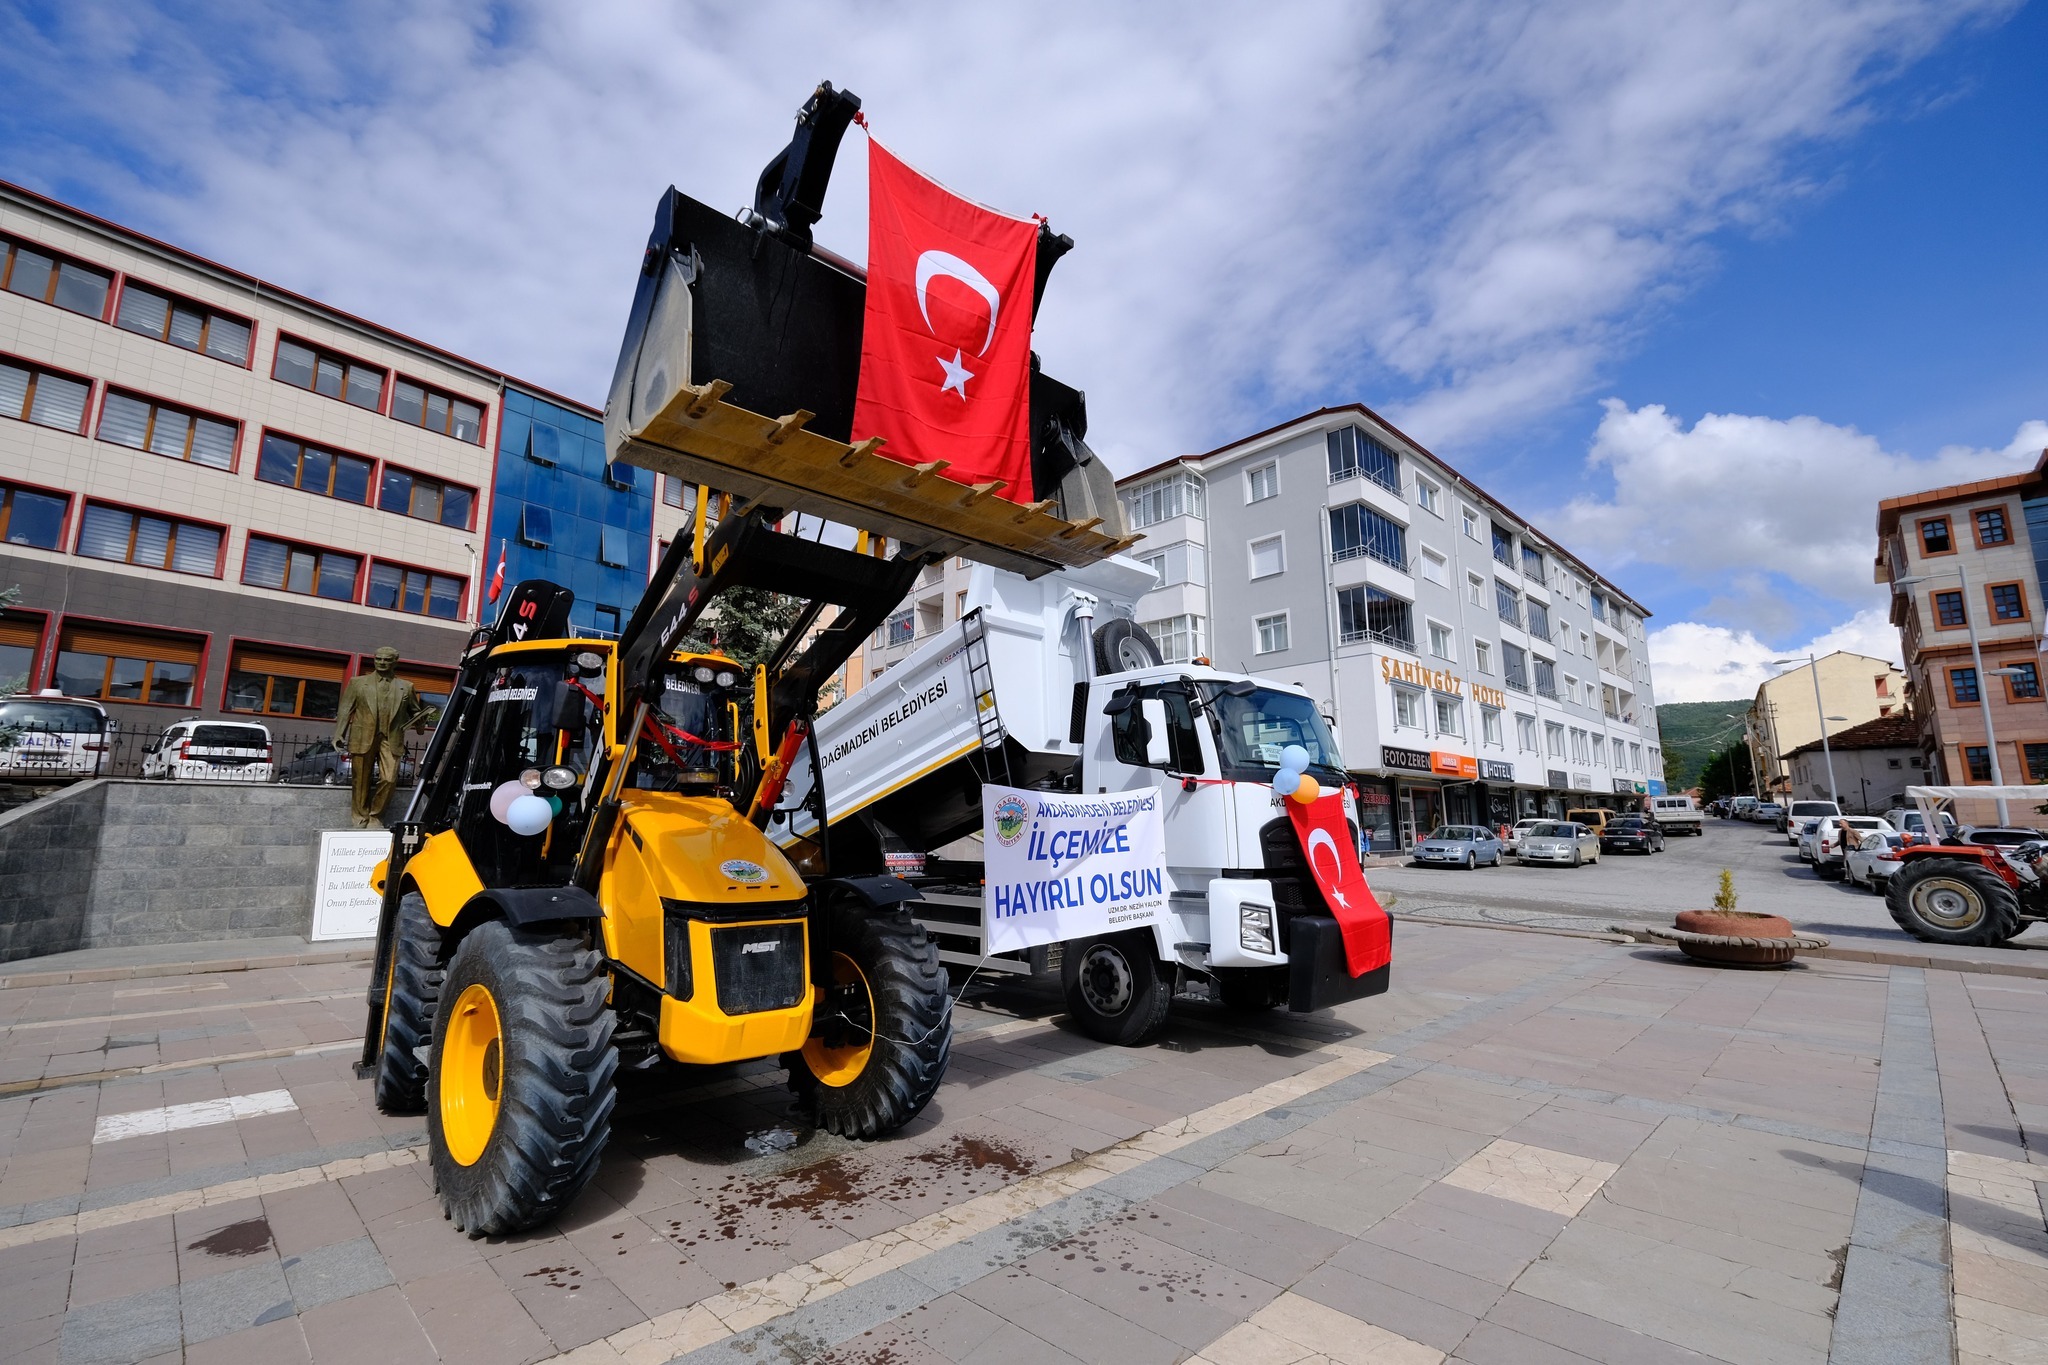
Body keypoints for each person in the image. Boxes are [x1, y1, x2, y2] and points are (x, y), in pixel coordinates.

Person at [333, 647, 432, 828]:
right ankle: (360, 817)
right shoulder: (357, 683)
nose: (381, 662)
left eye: (386, 660)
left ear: (395, 662)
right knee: (360, 779)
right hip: (363, 736)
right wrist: (339, 734)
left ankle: (376, 815)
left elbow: (416, 712)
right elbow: (345, 709)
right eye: (378, 659)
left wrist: (421, 722)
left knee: (389, 778)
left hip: (391, 738)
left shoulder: (406, 686)